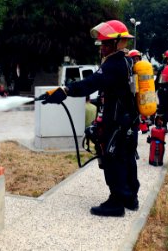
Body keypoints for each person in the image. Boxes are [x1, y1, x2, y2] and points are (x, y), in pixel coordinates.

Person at [40, 20, 140, 217]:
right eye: (101, 43)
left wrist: (66, 90)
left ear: (117, 43)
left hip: (117, 122)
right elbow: (110, 90)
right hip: (128, 121)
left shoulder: (114, 63)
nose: (101, 47)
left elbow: (91, 83)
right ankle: (130, 198)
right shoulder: (127, 61)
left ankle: (116, 203)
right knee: (127, 158)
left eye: (105, 43)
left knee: (113, 160)